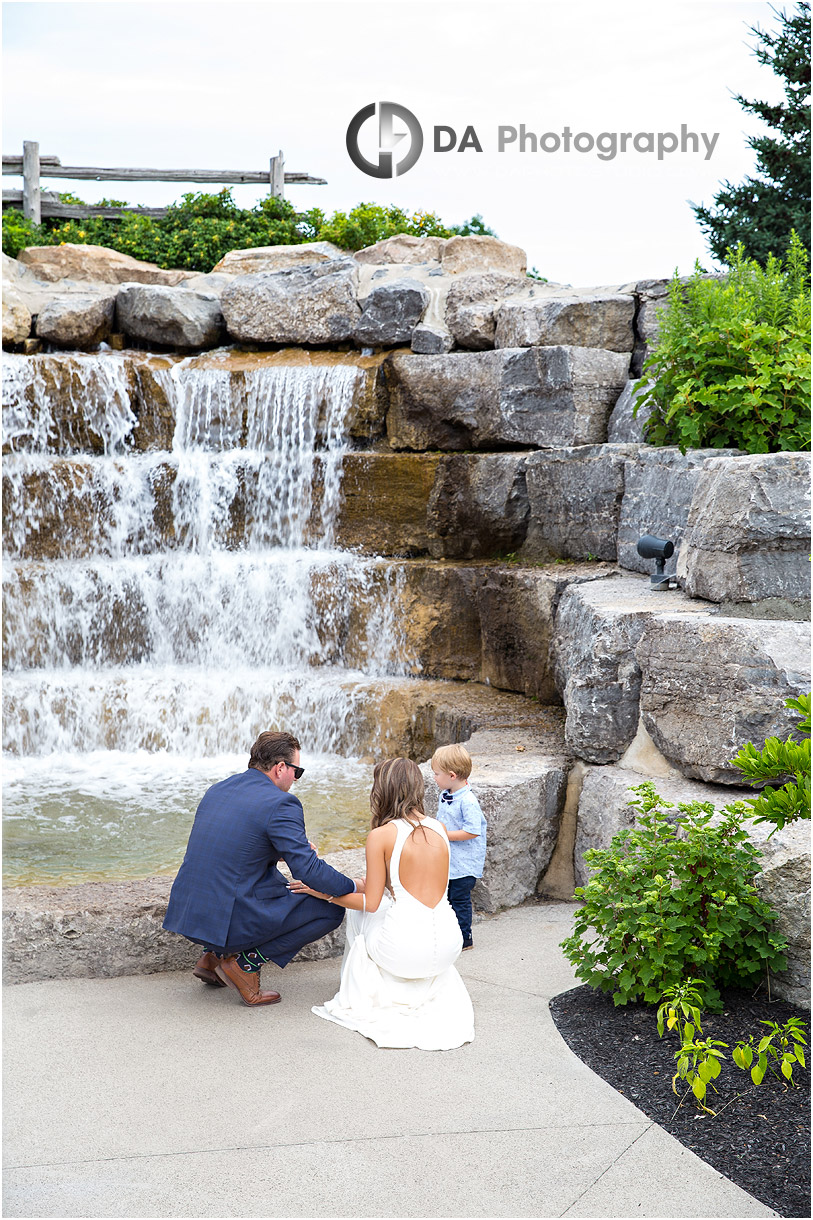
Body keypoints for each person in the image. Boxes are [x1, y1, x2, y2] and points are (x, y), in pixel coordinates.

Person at [289, 757, 474, 1050]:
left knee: (359, 914)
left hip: (405, 952)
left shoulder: (381, 836)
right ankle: (409, 986)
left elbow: (370, 902)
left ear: (382, 790)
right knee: (388, 907)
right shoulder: (438, 828)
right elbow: (399, 886)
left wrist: (320, 893)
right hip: (450, 945)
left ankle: (364, 991)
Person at [163, 730, 358, 1007]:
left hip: (190, 915)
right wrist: (352, 886)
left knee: (269, 881)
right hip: (228, 919)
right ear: (280, 768)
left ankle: (213, 957)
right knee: (330, 908)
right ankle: (244, 965)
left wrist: (280, 850)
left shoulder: (219, 788)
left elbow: (232, 847)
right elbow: (308, 871)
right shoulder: (281, 803)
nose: (296, 779)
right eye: (297, 771)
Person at [430, 743, 487, 950]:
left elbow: (473, 831)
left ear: (452, 775)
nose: (434, 778)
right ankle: (449, 934)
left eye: (436, 774)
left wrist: (443, 834)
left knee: (459, 899)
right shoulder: (445, 794)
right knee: (446, 898)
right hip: (449, 860)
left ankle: (464, 938)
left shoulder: (468, 801)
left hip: (463, 864)